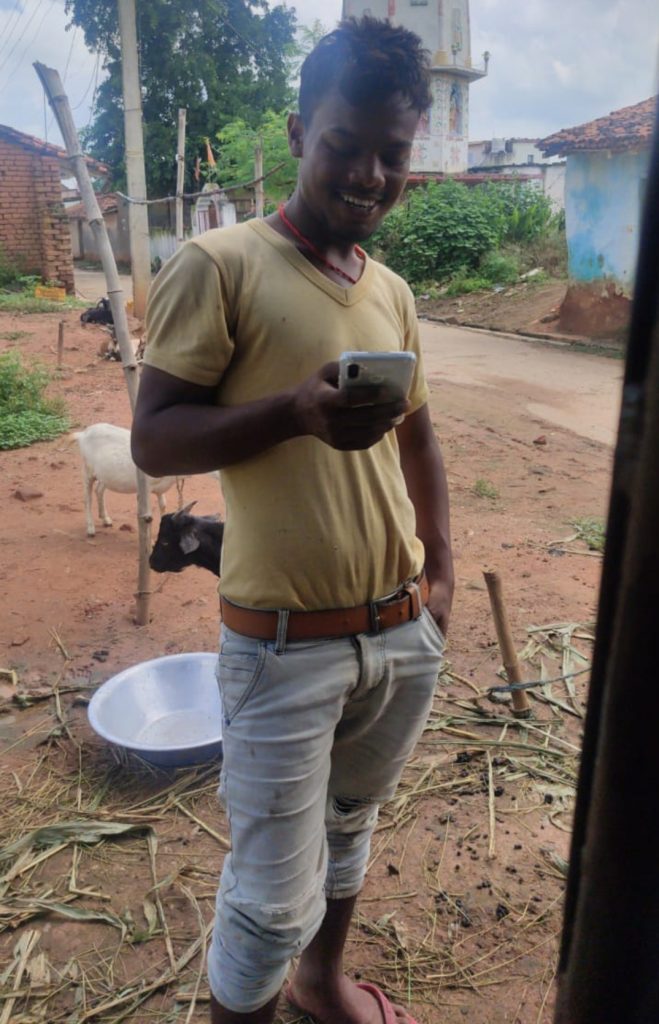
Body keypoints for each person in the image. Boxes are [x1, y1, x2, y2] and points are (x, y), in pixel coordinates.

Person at [131, 16, 453, 1024]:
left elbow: (419, 441)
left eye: (391, 153)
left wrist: (440, 579)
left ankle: (319, 982)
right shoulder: (219, 263)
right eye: (344, 144)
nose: (368, 174)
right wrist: (292, 413)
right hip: (281, 647)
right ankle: (277, 981)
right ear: (299, 130)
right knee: (269, 901)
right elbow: (153, 439)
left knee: (350, 830)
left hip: (400, 632)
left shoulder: (391, 291)